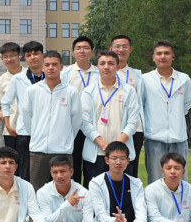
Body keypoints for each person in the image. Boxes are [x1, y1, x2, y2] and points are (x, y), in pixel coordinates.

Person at [23, 50, 82, 191]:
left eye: (55, 65)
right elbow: (27, 117)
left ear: (61, 67)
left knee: (64, 189)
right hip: (38, 150)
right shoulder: (33, 90)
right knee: (37, 189)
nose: (51, 68)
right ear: (42, 67)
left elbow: (76, 120)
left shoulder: (71, 91)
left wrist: (66, 138)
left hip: (63, 150)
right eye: (47, 65)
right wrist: (36, 134)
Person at [80, 50, 142, 183]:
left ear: (118, 67)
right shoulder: (88, 92)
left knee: (121, 191)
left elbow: (133, 121)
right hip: (96, 153)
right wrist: (104, 145)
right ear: (97, 67)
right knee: (94, 191)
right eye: (102, 63)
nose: (106, 67)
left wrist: (117, 146)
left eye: (111, 63)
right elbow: (84, 122)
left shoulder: (128, 91)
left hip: (122, 154)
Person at [140, 40, 191, 184]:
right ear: (153, 57)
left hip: (178, 138)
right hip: (154, 137)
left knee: (180, 179)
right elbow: (141, 105)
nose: (163, 56)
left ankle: (180, 200)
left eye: (166, 53)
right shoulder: (145, 79)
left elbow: (187, 103)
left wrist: (175, 117)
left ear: (173, 57)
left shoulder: (184, 79)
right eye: (159, 53)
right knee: (156, 179)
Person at [1, 40, 46, 181]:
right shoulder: (18, 79)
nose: (33, 57)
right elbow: (5, 102)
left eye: (36, 54)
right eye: (29, 55)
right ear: (24, 58)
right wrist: (8, 125)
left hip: (47, 131)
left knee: (46, 170)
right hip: (25, 131)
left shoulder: (52, 77)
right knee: (24, 170)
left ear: (42, 55)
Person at [61, 36, 99, 185]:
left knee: (92, 164)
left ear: (92, 52)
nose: (82, 51)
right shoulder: (65, 73)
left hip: (94, 125)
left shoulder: (99, 73)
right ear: (73, 52)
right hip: (72, 126)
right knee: (74, 164)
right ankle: (76, 195)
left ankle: (91, 194)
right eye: (78, 48)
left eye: (86, 48)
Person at [109, 35, 145, 177]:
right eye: (117, 46)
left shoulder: (138, 75)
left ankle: (130, 191)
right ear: (111, 48)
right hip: (110, 126)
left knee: (130, 166)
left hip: (134, 128)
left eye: (125, 46)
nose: (121, 49)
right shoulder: (101, 73)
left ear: (130, 50)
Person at [0, 42, 23, 150]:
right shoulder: (0, 82)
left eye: (12, 55)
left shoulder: (30, 75)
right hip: (11, 129)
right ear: (2, 59)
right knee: (12, 158)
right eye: (5, 57)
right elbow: (4, 106)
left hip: (30, 128)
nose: (9, 59)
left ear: (19, 56)